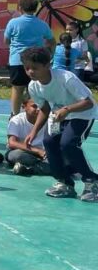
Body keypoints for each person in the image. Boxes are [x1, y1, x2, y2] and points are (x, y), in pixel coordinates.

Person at [20, 47, 97, 202]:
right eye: (27, 68)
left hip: (82, 114)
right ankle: (64, 183)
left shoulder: (66, 78)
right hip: (58, 115)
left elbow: (88, 102)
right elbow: (45, 109)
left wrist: (67, 109)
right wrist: (34, 132)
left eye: (35, 68)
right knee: (49, 142)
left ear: (48, 66)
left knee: (68, 144)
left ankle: (92, 182)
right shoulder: (33, 86)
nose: (30, 72)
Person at [3, 0, 54, 116]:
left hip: (17, 61)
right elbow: (52, 41)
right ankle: (33, 115)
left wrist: (14, 47)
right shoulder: (42, 24)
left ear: (20, 8)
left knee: (17, 89)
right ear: (35, 9)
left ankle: (14, 115)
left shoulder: (13, 22)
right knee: (35, 90)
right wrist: (50, 55)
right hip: (37, 62)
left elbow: (6, 41)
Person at [5, 96, 48, 176]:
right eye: (34, 106)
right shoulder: (16, 120)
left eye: (40, 106)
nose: (38, 109)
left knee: (66, 161)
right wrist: (37, 151)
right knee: (15, 155)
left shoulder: (48, 120)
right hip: (24, 151)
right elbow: (12, 143)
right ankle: (43, 166)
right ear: (24, 107)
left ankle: (27, 169)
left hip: (44, 153)